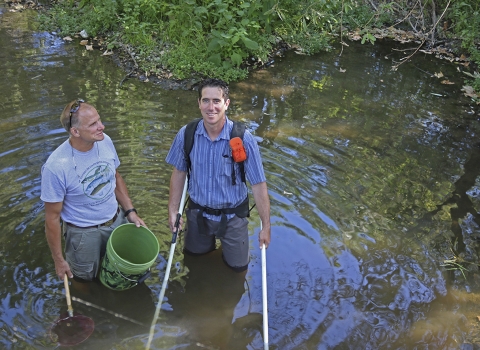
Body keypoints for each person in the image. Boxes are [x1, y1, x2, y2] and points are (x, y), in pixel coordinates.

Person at [166, 78, 271, 273]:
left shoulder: (242, 138)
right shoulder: (186, 134)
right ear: (199, 103)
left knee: (238, 269)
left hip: (233, 217)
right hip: (198, 214)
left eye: (216, 101)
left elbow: (258, 184)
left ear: (226, 104)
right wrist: (173, 211)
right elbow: (179, 172)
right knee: (194, 262)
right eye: (206, 100)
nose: (211, 107)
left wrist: (266, 225)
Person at [41, 99, 145, 282]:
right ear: (75, 131)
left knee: (122, 272)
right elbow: (52, 218)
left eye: (99, 120)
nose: (102, 126)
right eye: (93, 124)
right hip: (83, 233)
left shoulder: (106, 142)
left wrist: (130, 211)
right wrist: (58, 260)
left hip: (116, 220)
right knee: (83, 279)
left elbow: (116, 177)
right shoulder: (56, 166)